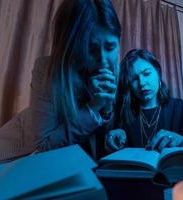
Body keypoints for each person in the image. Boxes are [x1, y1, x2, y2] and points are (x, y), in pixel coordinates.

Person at [30, 0, 121, 159]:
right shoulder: (46, 71)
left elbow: (106, 138)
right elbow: (44, 148)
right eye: (91, 49)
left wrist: (106, 109)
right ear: (72, 45)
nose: (103, 59)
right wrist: (92, 109)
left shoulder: (117, 70)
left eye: (110, 47)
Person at [105, 49, 183, 152]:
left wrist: (182, 141)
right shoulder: (122, 113)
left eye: (146, 74)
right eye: (134, 79)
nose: (142, 83)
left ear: (158, 73)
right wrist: (113, 139)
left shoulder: (181, 108)